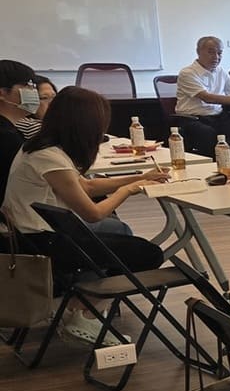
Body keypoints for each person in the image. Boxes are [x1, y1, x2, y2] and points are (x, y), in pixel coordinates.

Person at [2, 85, 170, 279]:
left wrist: (141, 178)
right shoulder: (49, 157)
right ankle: (91, 293)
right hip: (40, 239)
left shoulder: (45, 148)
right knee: (149, 254)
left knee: (125, 237)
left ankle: (94, 285)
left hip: (37, 232)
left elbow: (86, 186)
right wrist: (128, 189)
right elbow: (93, 214)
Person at [175, 36, 230, 159]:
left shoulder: (220, 71)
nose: (216, 57)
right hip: (192, 119)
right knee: (210, 135)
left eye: (219, 53)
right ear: (198, 52)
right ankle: (222, 165)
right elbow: (207, 97)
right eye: (211, 52)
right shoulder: (187, 73)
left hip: (217, 117)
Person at [0, 59, 47, 143]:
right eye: (26, 85)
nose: (33, 91)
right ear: (2, 94)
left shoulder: (12, 131)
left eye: (33, 86)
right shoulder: (6, 136)